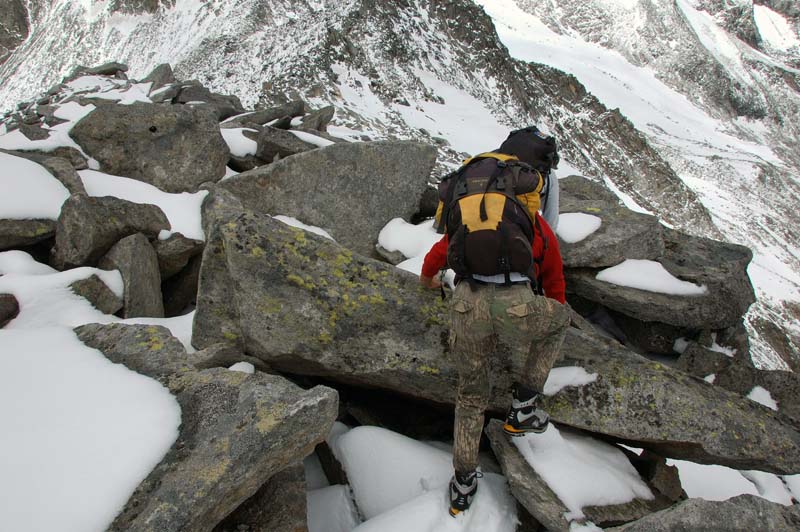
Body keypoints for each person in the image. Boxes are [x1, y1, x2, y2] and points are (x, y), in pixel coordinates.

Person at [419, 127, 569, 518]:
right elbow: (554, 282)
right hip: (515, 307)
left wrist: (426, 280)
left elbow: (437, 254)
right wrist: (549, 309)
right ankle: (525, 405)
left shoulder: (467, 223)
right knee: (559, 320)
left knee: (470, 397)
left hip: (467, 307)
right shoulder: (535, 226)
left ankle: (463, 482)